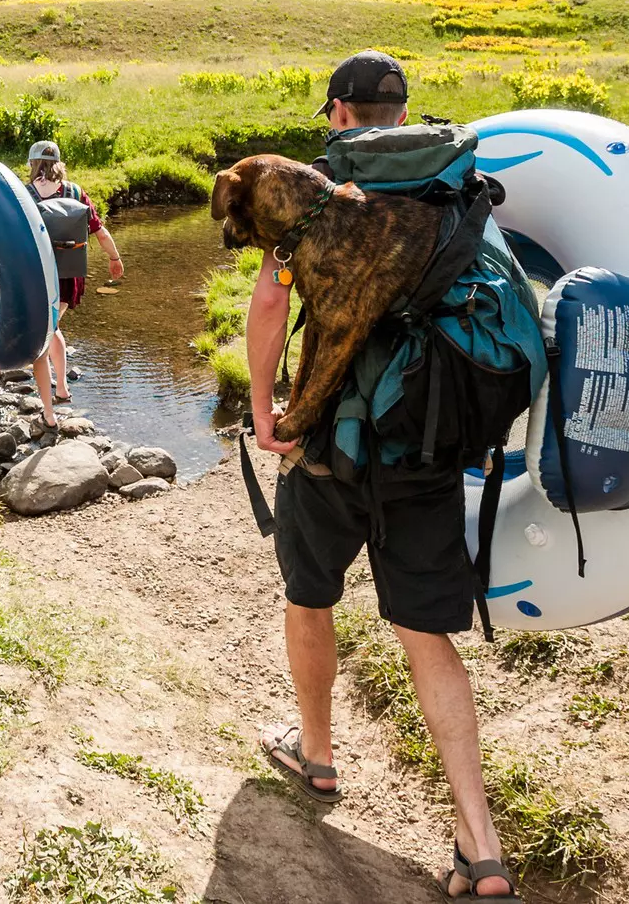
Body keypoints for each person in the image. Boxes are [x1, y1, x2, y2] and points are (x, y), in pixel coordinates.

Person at [246, 50, 522, 900]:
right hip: (428, 447)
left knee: (309, 592)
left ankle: (317, 755)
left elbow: (270, 304)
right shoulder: (455, 182)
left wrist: (265, 408)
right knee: (424, 634)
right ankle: (480, 843)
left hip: (332, 443)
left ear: (336, 113)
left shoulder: (320, 188)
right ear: (401, 113)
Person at [26, 140, 123, 427]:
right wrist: (115, 259)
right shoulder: (76, 192)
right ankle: (63, 389)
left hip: (37, 279)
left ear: (33, 164)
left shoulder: (24, 195)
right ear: (58, 163)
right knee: (53, 326)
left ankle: (49, 413)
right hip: (69, 280)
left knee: (40, 345)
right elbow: (100, 232)